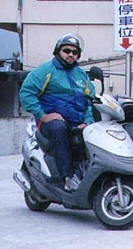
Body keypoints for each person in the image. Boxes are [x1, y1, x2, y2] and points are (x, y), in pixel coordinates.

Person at [19, 33, 95, 192]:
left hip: (77, 120)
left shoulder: (81, 75)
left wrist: (87, 120)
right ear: (58, 51)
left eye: (74, 52)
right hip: (51, 121)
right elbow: (26, 92)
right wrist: (43, 115)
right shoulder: (45, 70)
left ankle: (88, 174)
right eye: (67, 50)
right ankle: (67, 177)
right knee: (59, 128)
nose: (71, 55)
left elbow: (89, 100)